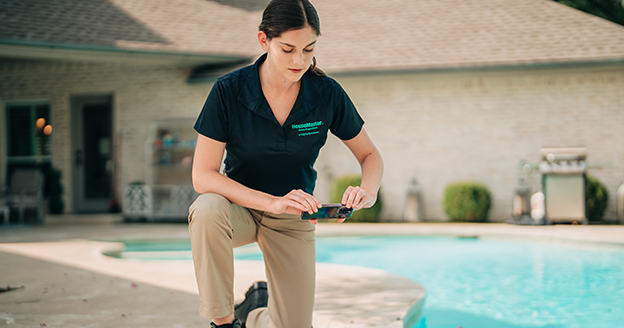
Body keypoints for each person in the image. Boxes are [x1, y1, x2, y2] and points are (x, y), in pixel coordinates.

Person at [188, 0, 383, 327]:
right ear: (264, 41)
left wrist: (369, 190)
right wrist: (272, 202)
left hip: (295, 216)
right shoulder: (227, 91)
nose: (300, 60)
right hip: (240, 210)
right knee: (206, 209)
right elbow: (202, 175)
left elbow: (370, 155)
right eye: (288, 49)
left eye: (309, 49)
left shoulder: (327, 94)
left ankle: (253, 314)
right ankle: (224, 323)